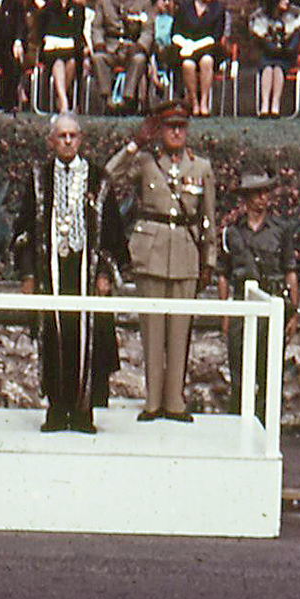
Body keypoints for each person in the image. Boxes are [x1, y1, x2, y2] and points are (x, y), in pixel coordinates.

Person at [13, 114, 129, 433]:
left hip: (86, 273)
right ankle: (56, 409)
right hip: (50, 271)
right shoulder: (39, 178)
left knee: (86, 338)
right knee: (53, 336)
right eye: (61, 136)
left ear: (81, 139)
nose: (67, 141)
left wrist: (105, 271)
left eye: (72, 136)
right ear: (51, 140)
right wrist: (28, 275)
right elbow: (23, 228)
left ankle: (83, 412)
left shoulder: (98, 179)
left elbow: (113, 233)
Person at [105, 100, 216, 422]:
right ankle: (152, 401)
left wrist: (208, 259)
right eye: (170, 127)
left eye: (182, 126)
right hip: (151, 251)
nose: (177, 132)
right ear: (160, 130)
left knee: (180, 329)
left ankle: (175, 401)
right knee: (152, 328)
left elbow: (208, 217)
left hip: (185, 251)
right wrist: (136, 142)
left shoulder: (201, 167)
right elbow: (109, 175)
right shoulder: (145, 161)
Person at [216, 168, 298, 421]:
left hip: (271, 305)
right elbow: (223, 274)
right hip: (242, 306)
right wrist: (225, 313)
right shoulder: (232, 232)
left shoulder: (280, 230)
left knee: (269, 374)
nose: (264, 197)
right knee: (239, 374)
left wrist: (293, 313)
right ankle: (236, 430)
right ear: (247, 198)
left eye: (266, 192)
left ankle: (266, 431)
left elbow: (290, 271)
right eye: (258, 193)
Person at [91, 0, 153, 114]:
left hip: (131, 48)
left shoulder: (143, 2)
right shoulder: (104, 1)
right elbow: (97, 27)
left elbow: (148, 30)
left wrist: (140, 45)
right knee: (98, 58)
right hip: (110, 47)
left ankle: (127, 98)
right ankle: (107, 99)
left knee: (139, 59)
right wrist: (99, 43)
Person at [171, 0, 226, 117]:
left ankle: (204, 102)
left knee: (207, 60)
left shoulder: (218, 9)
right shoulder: (184, 7)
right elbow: (175, 32)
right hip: (186, 50)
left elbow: (216, 35)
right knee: (188, 64)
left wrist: (198, 45)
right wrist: (186, 44)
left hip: (208, 48)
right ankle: (193, 102)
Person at [248, 0, 300, 118]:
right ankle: (264, 106)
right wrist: (270, 46)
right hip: (269, 54)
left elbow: (295, 39)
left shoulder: (295, 16)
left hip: (286, 54)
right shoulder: (260, 18)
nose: (287, 1)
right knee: (267, 68)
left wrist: (288, 46)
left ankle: (275, 106)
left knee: (278, 68)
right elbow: (261, 40)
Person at [36, 0, 83, 113]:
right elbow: (43, 33)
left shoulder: (78, 9)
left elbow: (77, 33)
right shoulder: (47, 9)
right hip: (51, 52)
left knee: (72, 62)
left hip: (70, 51)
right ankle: (63, 101)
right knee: (58, 61)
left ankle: (59, 96)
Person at [147, 0, 176, 97]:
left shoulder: (171, 20)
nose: (167, 3)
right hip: (151, 54)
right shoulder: (148, 18)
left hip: (167, 54)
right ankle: (153, 77)